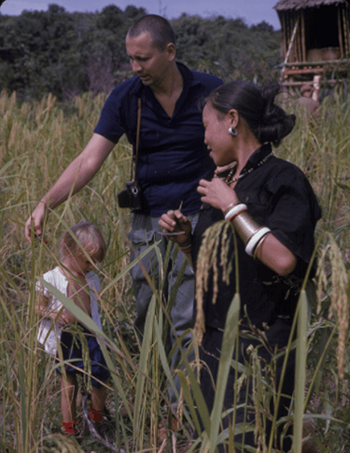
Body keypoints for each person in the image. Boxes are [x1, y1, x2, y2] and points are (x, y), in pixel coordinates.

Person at [25, 14, 223, 411]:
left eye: (143, 59)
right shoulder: (126, 96)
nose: (135, 67)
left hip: (200, 218)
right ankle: (150, 396)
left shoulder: (211, 90)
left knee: (186, 316)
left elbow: (239, 146)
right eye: (130, 59)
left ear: (169, 52)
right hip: (148, 222)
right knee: (148, 313)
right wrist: (47, 202)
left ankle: (177, 408)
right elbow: (90, 159)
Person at [159, 81, 321, 451]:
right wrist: (186, 239)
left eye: (206, 125)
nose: (203, 138)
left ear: (232, 120)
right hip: (214, 341)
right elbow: (214, 268)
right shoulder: (223, 182)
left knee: (253, 441)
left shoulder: (283, 178)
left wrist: (231, 207)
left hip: (261, 344)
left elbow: (282, 260)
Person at [36, 221, 110, 436]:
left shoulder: (91, 278)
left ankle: (97, 417)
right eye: (88, 261)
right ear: (68, 250)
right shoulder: (50, 279)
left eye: (95, 262)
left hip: (90, 332)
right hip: (66, 336)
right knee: (69, 383)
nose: (92, 267)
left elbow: (94, 309)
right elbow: (37, 308)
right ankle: (69, 428)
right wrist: (54, 315)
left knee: (100, 374)